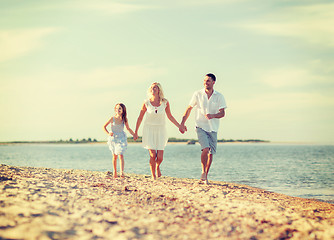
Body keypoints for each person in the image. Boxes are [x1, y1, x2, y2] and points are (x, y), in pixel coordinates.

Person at [180, 73, 227, 184]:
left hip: (214, 128)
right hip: (201, 126)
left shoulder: (219, 96)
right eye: (205, 81)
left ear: (213, 82)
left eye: (208, 81)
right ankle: (203, 172)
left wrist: (213, 115)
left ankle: (205, 175)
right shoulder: (198, 94)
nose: (206, 83)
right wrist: (182, 123)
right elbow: (189, 108)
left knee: (211, 153)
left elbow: (222, 113)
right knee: (205, 149)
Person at [134, 82, 182, 180]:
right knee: (152, 155)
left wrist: (179, 126)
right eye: (151, 88)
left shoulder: (165, 102)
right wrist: (136, 132)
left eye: (155, 87)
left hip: (161, 130)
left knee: (160, 157)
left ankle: (157, 166)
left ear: (159, 90)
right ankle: (153, 175)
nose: (153, 89)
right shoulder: (146, 102)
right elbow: (140, 117)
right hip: (149, 130)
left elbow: (170, 116)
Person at [103, 103, 135, 178]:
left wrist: (134, 134)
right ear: (115, 110)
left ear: (123, 110)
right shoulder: (112, 118)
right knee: (114, 156)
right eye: (117, 108)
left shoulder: (124, 119)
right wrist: (108, 133)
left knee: (120, 154)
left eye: (120, 108)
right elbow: (104, 126)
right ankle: (114, 171)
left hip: (121, 138)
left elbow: (128, 128)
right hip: (113, 138)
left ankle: (122, 172)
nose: (118, 110)